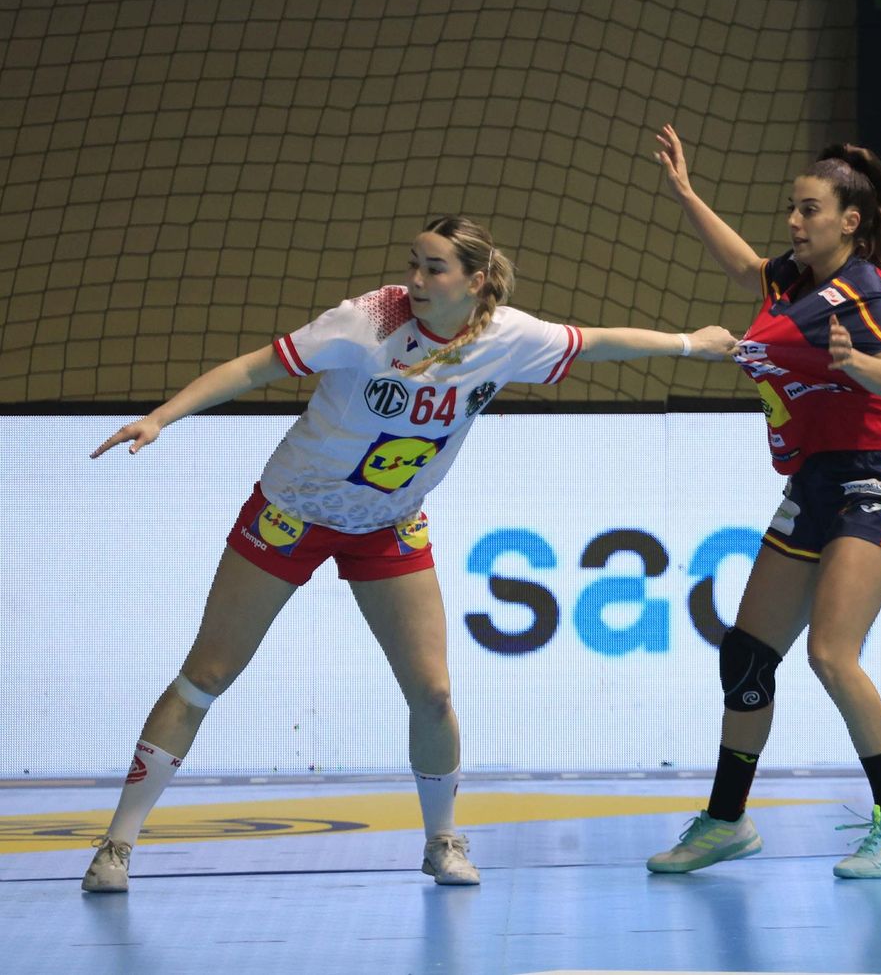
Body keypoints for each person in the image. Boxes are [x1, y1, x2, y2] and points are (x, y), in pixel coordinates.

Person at [81, 214, 736, 893]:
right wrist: (161, 417)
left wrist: (691, 344)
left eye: (434, 268)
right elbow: (256, 366)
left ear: (475, 282)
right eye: (413, 264)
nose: (415, 280)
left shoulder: (507, 337)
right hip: (292, 512)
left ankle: (442, 840)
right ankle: (116, 847)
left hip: (388, 523)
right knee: (206, 676)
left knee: (433, 692)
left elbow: (594, 342)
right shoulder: (367, 320)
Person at [642, 124, 881, 879]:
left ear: (850, 221)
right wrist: (686, 193)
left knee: (831, 653)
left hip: (874, 479)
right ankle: (727, 821)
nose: (794, 221)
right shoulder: (791, 282)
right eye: (793, 208)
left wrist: (856, 361)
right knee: (746, 654)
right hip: (810, 483)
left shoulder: (866, 290)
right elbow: (745, 265)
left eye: (809, 210)